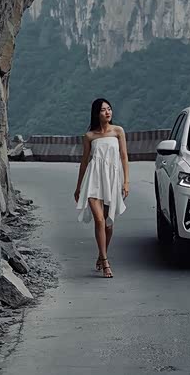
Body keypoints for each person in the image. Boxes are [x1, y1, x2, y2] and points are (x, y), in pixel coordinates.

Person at [74, 98, 129, 278]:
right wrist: (78, 187)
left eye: (109, 109)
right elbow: (84, 161)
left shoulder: (118, 131)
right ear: (96, 113)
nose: (107, 112)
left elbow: (124, 156)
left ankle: (101, 254)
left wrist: (126, 182)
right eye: (103, 110)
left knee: (108, 224)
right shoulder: (90, 136)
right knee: (99, 220)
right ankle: (105, 262)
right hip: (93, 180)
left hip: (112, 180)